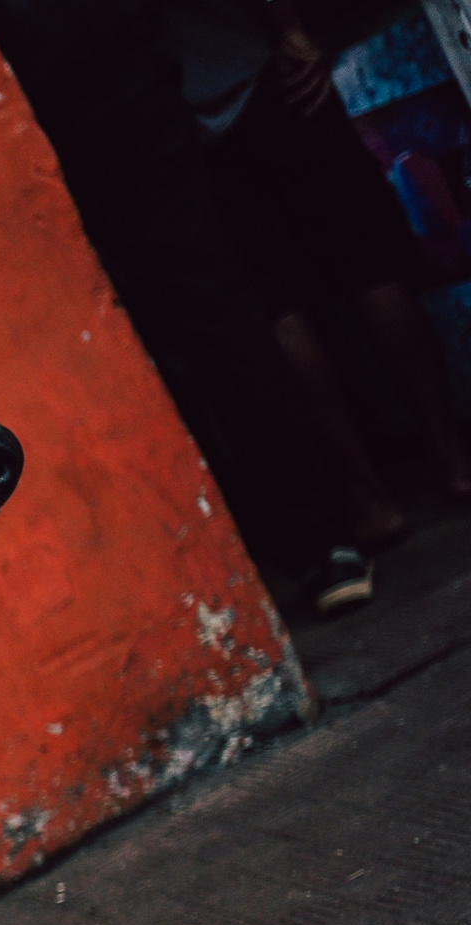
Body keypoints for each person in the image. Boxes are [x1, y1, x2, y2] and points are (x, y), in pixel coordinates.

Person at [0, 0, 376, 614]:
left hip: (57, 95)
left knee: (163, 330)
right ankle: (311, 543)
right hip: (101, 85)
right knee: (205, 316)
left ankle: (260, 549)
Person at [164, 0, 471, 548]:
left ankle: (370, 501)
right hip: (271, 72)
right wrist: (291, 30)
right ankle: (454, 459)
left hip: (188, 124)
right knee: (368, 267)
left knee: (280, 309)